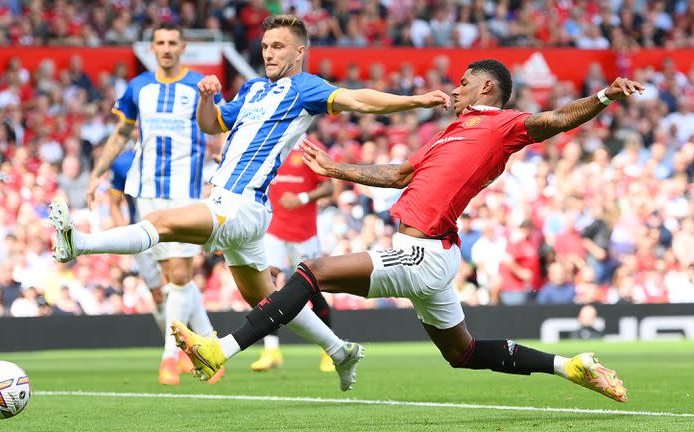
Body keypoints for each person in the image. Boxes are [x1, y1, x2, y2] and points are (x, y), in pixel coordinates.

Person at [173, 59, 640, 402]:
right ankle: (570, 366)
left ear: (485, 86)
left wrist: (603, 97)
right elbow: (398, 175)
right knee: (463, 352)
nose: (454, 91)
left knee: (311, 272)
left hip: (422, 252)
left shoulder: (503, 125)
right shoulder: (448, 133)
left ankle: (222, 348)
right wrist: (337, 169)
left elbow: (556, 120)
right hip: (430, 252)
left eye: (462, 84)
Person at [49, 14, 450, 391]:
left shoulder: (305, 87)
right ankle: (339, 350)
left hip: (241, 204)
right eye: (265, 46)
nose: (269, 53)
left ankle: (79, 243)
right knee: (265, 300)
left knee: (161, 221)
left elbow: (360, 100)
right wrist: (207, 97)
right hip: (239, 206)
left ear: (299, 53)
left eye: (279, 46)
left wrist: (414, 102)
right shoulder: (254, 89)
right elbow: (212, 124)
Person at [83, 23, 222, 385]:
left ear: (183, 46)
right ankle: (210, 349)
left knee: (179, 273)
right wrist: (98, 171)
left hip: (185, 190)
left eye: (172, 42)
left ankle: (170, 357)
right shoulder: (139, 87)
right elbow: (122, 133)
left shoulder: (198, 86)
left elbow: (219, 130)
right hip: (146, 189)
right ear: (153, 47)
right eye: (160, 42)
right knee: (168, 277)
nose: (166, 48)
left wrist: (222, 172)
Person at [108, 147, 217, 385]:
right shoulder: (123, 161)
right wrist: (124, 237)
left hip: (175, 227)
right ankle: (202, 348)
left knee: (179, 278)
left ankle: (183, 353)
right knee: (159, 295)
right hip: (143, 234)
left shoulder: (177, 152)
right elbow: (114, 202)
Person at [251, 139, 336, 373]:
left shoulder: (311, 146)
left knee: (314, 291)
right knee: (265, 286)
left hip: (304, 233)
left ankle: (329, 350)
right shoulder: (273, 143)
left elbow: (329, 187)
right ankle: (271, 350)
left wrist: (302, 198)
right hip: (274, 230)